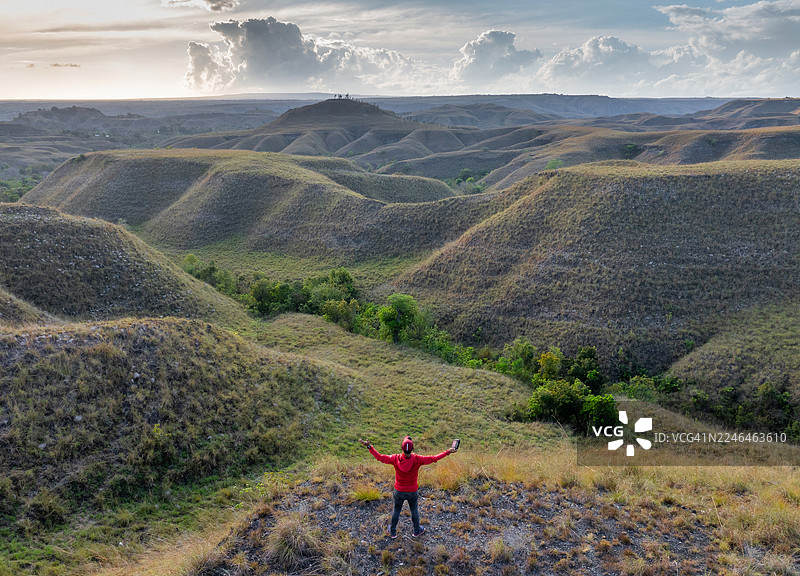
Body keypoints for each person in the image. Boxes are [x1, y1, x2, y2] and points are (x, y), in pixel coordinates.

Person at [358, 436, 457, 538]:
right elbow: (433, 458)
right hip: (412, 491)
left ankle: (392, 532)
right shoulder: (418, 459)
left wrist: (369, 447)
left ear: (402, 448)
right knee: (414, 510)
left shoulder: (395, 458)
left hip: (399, 490)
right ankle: (417, 530)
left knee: (396, 510)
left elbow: (380, 457)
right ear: (412, 449)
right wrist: (447, 452)